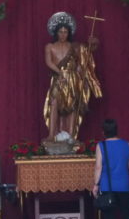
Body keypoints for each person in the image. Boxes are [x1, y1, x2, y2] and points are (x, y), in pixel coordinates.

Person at [43, 11, 102, 142]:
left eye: (65, 32)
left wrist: (93, 43)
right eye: (60, 32)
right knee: (54, 103)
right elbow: (48, 62)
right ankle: (52, 134)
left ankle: (70, 135)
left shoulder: (74, 46)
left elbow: (86, 53)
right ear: (56, 32)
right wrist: (59, 73)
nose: (63, 34)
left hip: (72, 78)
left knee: (72, 105)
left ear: (69, 33)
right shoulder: (50, 47)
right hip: (58, 78)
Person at [92, 118, 129, 219]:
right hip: (124, 186)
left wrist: (96, 185)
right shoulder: (126, 144)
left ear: (103, 132)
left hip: (107, 188)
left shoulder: (101, 145)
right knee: (128, 218)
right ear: (117, 130)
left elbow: (98, 167)